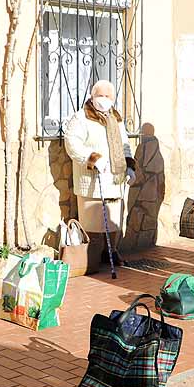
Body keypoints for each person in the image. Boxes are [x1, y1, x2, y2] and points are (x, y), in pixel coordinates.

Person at [63, 80, 136, 266]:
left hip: (115, 178)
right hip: (93, 178)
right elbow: (72, 143)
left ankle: (111, 251)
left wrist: (129, 166)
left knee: (113, 220)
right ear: (92, 96)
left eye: (107, 96)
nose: (104, 100)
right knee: (92, 220)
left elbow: (124, 144)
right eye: (100, 95)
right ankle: (91, 255)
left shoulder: (116, 119)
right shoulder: (81, 118)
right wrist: (92, 158)